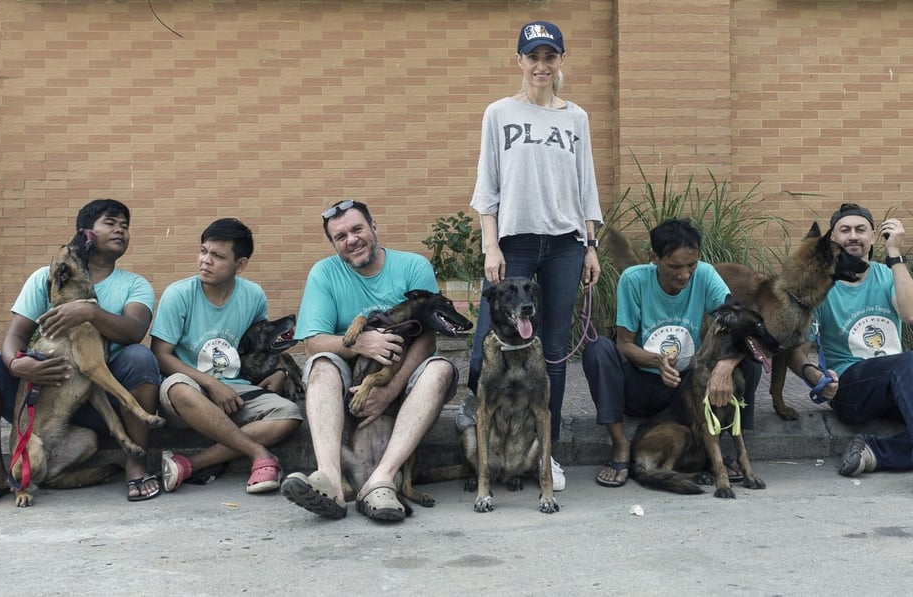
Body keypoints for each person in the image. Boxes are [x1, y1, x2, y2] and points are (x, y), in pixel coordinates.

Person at [465, 20, 604, 491]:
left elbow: (587, 188)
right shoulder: (499, 113)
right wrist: (491, 244)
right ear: (519, 60)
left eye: (550, 56)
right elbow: (488, 187)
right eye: (533, 56)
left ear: (561, 60)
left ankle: (548, 454)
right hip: (515, 244)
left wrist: (591, 246)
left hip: (565, 245)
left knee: (554, 352)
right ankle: (486, 441)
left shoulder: (576, 118)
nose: (541, 65)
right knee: (492, 345)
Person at [0, 199, 163, 509]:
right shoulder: (47, 276)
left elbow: (134, 331)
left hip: (99, 399)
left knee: (140, 357)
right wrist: (17, 364)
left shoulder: (135, 285)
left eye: (125, 226)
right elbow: (15, 335)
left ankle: (136, 466)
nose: (120, 229)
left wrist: (88, 312)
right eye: (111, 222)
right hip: (42, 399)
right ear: (86, 233)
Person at [281, 200, 457, 522]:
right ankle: (330, 481)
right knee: (320, 363)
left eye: (357, 229)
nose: (351, 239)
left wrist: (387, 393)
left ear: (374, 227)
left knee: (441, 368)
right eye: (340, 236)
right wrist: (362, 343)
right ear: (334, 244)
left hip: (401, 381)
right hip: (351, 385)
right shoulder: (324, 273)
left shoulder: (413, 267)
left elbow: (427, 339)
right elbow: (312, 342)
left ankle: (383, 480)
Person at [789, 203, 913, 503]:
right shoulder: (821, 284)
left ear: (874, 237)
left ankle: (878, 452)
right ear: (833, 239)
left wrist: (895, 255)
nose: (853, 236)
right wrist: (815, 377)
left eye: (861, 230)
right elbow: (796, 352)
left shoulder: (887, 274)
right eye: (845, 230)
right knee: (910, 361)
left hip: (899, 383)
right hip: (850, 387)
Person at [581, 218, 761, 487]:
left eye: (691, 265)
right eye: (675, 267)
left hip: (686, 390)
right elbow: (624, 344)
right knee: (599, 350)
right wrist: (657, 360)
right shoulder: (634, 279)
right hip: (640, 386)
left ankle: (735, 455)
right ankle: (620, 446)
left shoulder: (706, 275)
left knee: (748, 361)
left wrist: (724, 367)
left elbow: (738, 323)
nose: (685, 275)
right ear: (654, 257)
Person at [151, 218, 301, 495]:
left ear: (240, 264)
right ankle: (258, 453)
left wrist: (279, 372)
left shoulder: (253, 295)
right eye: (203, 251)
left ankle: (190, 464)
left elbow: (258, 345)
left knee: (289, 415)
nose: (205, 261)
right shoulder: (179, 294)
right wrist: (211, 384)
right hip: (188, 387)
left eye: (217, 256)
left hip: (236, 389)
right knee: (181, 390)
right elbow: (160, 355)